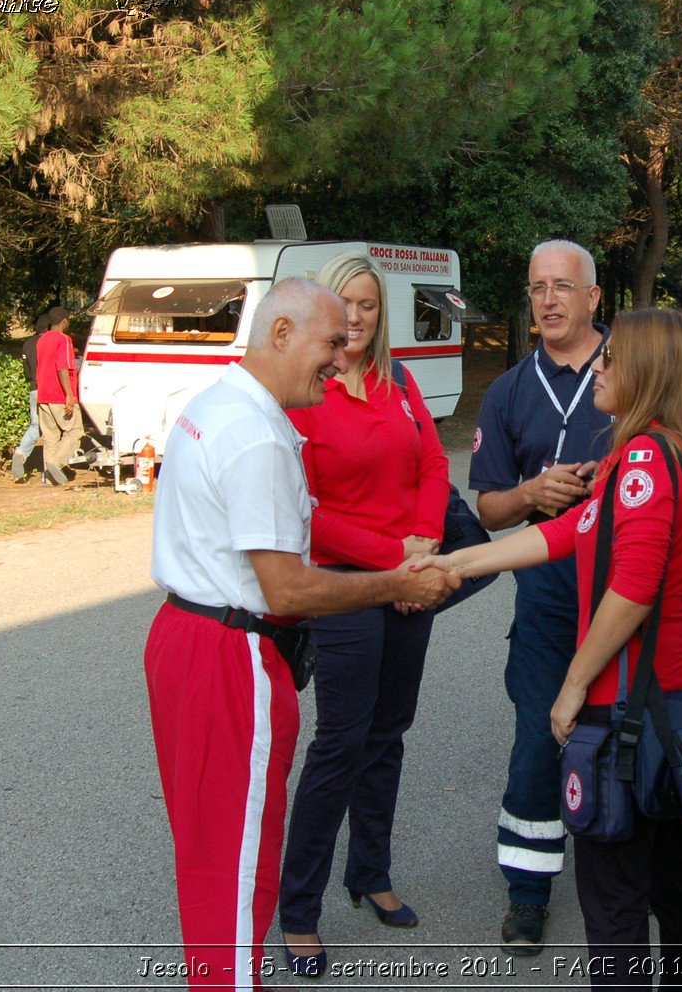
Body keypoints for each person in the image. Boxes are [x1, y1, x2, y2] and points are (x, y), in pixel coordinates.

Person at [143, 277, 459, 990]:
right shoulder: (257, 435)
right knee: (236, 861)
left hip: (188, 638)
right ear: (281, 334)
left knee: (211, 853)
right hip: (228, 653)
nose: (343, 356)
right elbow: (288, 585)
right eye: (330, 341)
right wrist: (398, 582)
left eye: (351, 340)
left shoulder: (224, 404)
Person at [425, 308, 682, 988]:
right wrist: (459, 564)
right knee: (674, 881)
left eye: (610, 361)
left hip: (629, 709)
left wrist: (574, 683)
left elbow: (634, 588)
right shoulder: (671, 450)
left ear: (642, 371)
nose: (599, 371)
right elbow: (567, 533)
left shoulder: (642, 459)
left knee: (613, 899)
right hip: (671, 706)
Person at [276, 254, 452, 974]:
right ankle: (297, 911)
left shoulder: (400, 379)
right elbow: (307, 513)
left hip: (409, 578)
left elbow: (435, 466)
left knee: (389, 732)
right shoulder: (306, 392)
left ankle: (370, 872)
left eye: (370, 306)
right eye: (344, 303)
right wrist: (395, 565)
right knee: (341, 744)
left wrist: (427, 540)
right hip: (350, 587)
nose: (356, 318)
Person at [469, 239, 611, 954]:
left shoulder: (630, 369)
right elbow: (490, 511)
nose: (548, 300)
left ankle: (625, 878)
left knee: (623, 725)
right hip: (548, 584)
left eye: (562, 286)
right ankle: (528, 891)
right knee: (538, 735)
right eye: (535, 288)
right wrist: (531, 493)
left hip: (624, 580)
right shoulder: (510, 390)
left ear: (594, 297)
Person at [35, 307, 83, 486]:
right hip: (58, 394)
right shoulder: (63, 339)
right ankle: (55, 464)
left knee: (50, 436)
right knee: (75, 430)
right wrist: (69, 395)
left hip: (43, 395)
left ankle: (49, 478)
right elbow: (63, 368)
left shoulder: (42, 340)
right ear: (64, 321)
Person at [10, 311, 46, 481]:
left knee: (35, 425)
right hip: (49, 389)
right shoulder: (49, 342)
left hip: (34, 388)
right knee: (55, 429)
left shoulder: (27, 344)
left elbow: (27, 371)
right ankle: (51, 469)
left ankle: (21, 452)